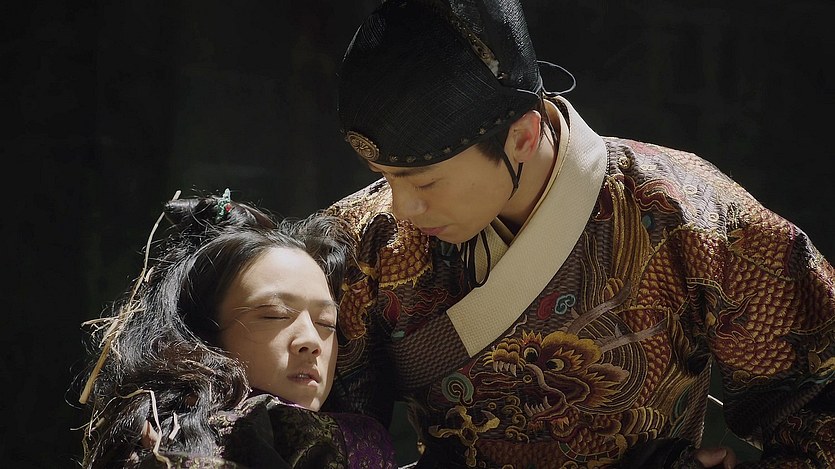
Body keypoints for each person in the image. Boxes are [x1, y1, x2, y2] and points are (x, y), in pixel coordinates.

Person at [321, 0, 835, 467]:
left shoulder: (689, 217)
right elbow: (319, 432)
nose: (402, 207)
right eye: (384, 176)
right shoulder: (364, 243)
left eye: (425, 181)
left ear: (522, 136)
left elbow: (821, 408)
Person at [76, 189, 398, 469]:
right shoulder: (160, 442)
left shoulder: (360, 444)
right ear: (203, 333)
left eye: (326, 323)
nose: (311, 341)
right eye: (274, 315)